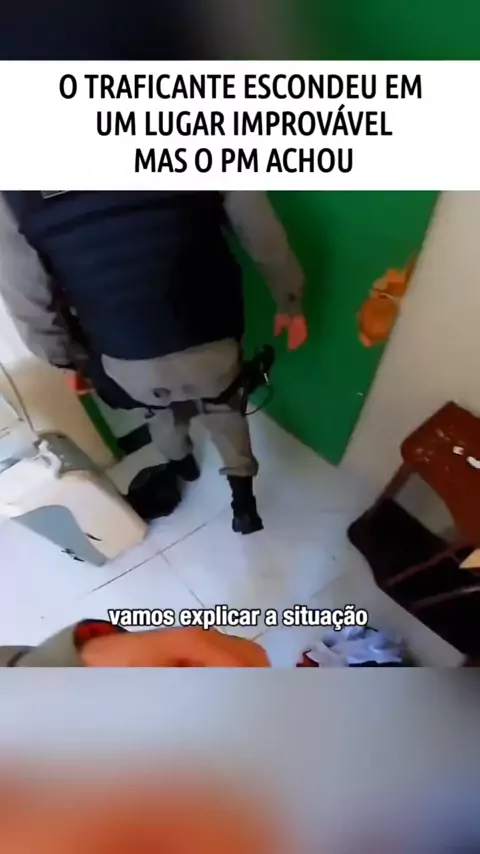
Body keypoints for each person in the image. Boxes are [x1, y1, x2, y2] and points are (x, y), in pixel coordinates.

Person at [0, 191, 306, 533]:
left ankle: (183, 466)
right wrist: (289, 299)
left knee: (158, 412)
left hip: (125, 355)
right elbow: (261, 231)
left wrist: (71, 361)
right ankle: (244, 504)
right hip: (210, 335)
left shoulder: (13, 190)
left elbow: (27, 301)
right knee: (225, 407)